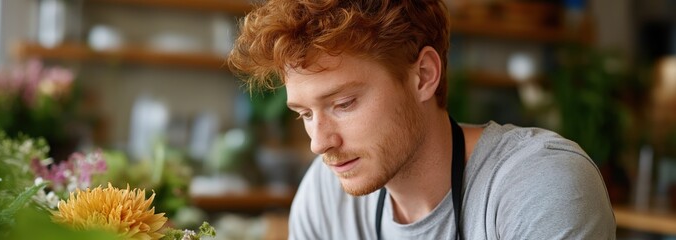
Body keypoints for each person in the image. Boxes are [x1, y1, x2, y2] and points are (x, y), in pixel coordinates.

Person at [227, 0, 616, 239]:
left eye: (344, 103)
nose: (319, 142)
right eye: (306, 114)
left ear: (424, 75)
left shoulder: (539, 186)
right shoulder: (326, 195)